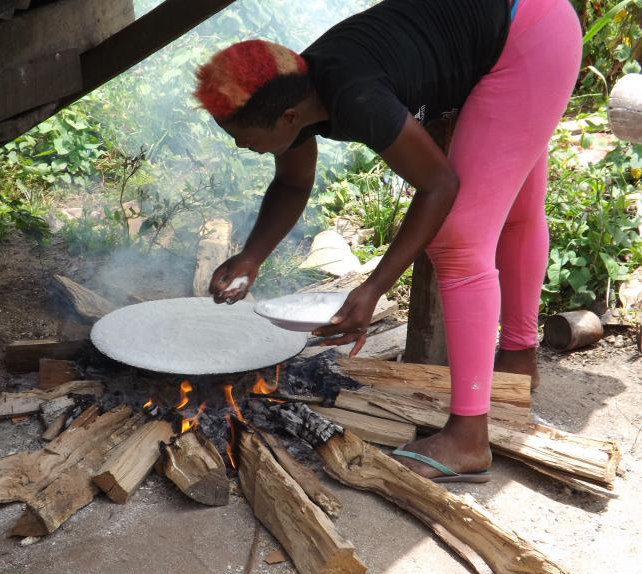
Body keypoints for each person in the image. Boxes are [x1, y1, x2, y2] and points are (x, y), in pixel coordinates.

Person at [193, 0, 582, 482]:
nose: (239, 145)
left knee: (457, 241)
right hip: (522, 21)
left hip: (527, 36)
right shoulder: (296, 85)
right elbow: (293, 183)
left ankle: (468, 438)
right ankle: (518, 363)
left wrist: (374, 288)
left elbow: (439, 186)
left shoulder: (355, 96)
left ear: (288, 118)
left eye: (242, 136)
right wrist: (251, 257)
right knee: (516, 211)